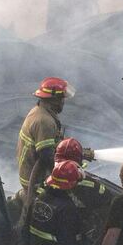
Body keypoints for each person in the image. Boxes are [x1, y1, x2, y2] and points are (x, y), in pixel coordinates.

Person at [13, 77, 72, 228]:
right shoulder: (44, 121)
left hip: (29, 172)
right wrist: (67, 173)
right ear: (54, 99)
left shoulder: (38, 111)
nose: (63, 103)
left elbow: (51, 146)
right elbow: (46, 157)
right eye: (62, 99)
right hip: (35, 181)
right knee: (69, 204)